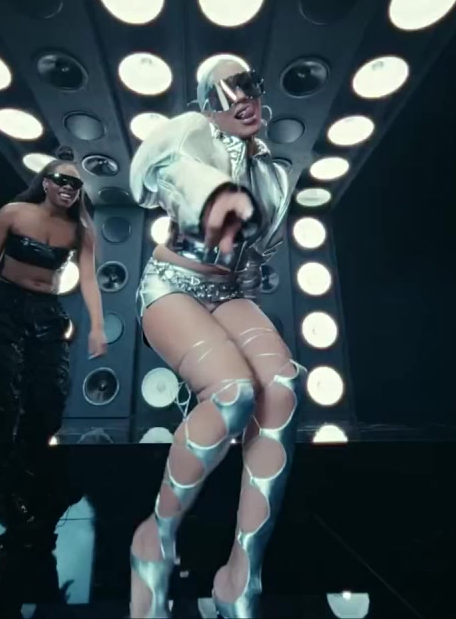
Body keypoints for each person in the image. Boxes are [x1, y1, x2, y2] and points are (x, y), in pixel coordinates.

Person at [128, 60, 301, 618]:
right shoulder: (188, 136)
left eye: (249, 85)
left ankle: (241, 575)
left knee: (281, 388)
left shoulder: (270, 169)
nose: (242, 98)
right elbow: (158, 182)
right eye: (226, 92)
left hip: (225, 292)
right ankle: (154, 537)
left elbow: (252, 247)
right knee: (233, 393)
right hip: (171, 284)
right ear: (206, 105)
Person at [0, 159, 107, 609]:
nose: (69, 188)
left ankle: (19, 483)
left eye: (76, 184)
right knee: (1, 397)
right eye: (62, 180)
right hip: (5, 304)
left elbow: (90, 278)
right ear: (46, 182)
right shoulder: (13, 213)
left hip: (47, 311)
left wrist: (97, 327)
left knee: (49, 400)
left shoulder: (80, 230)